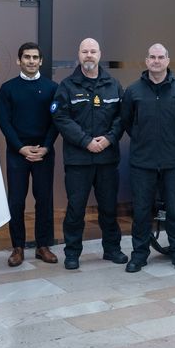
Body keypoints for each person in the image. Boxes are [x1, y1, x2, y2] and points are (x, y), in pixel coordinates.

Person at [120, 44, 175, 272]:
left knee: (174, 210)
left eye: (160, 57)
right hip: (142, 163)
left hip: (173, 163)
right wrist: (143, 140)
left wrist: (173, 141)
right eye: (152, 57)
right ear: (146, 61)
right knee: (141, 211)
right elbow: (127, 122)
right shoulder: (133, 91)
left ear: (167, 60)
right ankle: (139, 254)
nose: (156, 61)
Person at [53, 38, 126, 270]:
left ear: (99, 54)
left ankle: (112, 249)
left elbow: (122, 117)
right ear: (79, 55)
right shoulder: (67, 86)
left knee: (109, 207)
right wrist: (86, 141)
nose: (89, 55)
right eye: (85, 51)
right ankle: (72, 253)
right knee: (76, 209)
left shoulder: (113, 85)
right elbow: (61, 118)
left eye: (93, 51)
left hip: (107, 158)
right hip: (79, 160)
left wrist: (109, 138)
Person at [0, 42, 58, 267]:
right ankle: (18, 247)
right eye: (26, 57)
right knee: (16, 201)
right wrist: (20, 148)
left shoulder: (52, 88)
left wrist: (46, 147)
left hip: (44, 153)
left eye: (35, 57)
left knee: (44, 200)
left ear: (41, 61)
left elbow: (56, 122)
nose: (31, 61)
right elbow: (4, 122)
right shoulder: (8, 88)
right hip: (17, 153)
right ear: (19, 60)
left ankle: (43, 246)